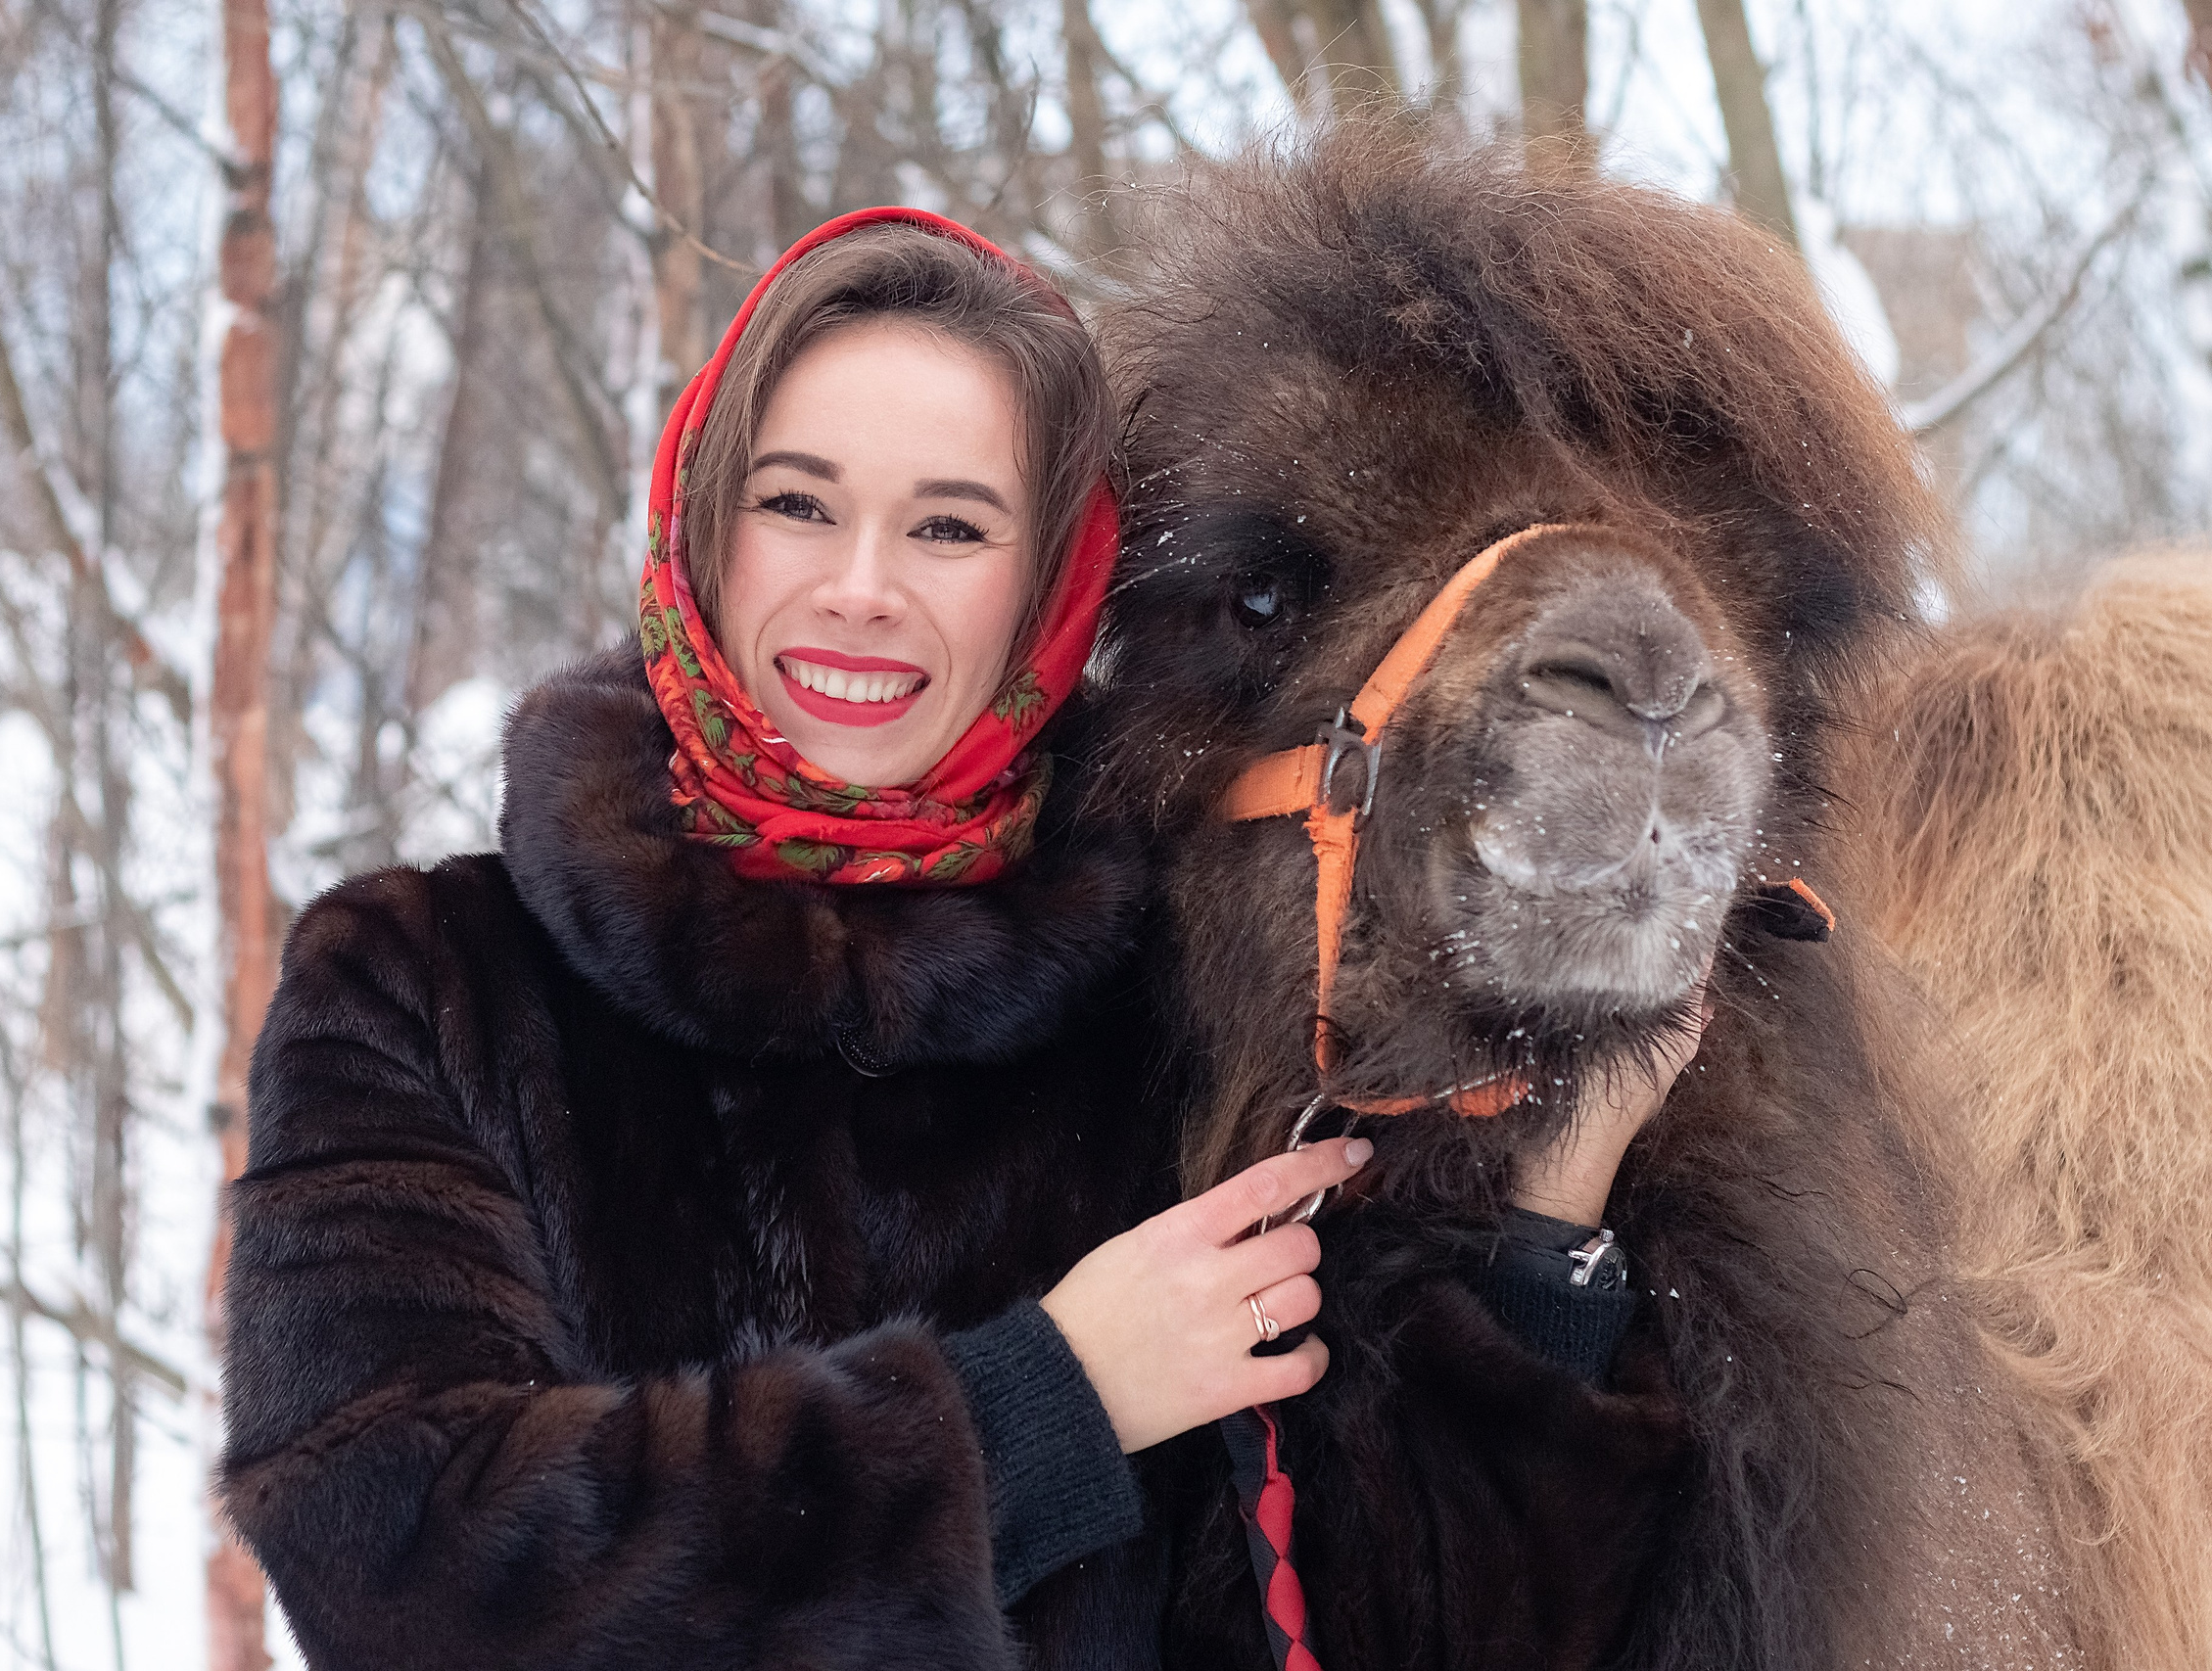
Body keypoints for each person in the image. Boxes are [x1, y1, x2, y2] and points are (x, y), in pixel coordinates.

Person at [216, 209, 1368, 1671]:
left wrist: (1555, 1238)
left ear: (1054, 583)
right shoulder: (419, 982)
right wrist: (1042, 1409)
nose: (863, 587)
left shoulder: (1185, 1003)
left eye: (951, 524)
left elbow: (1387, 1586)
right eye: (797, 504)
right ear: (701, 516)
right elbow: (399, 1558)